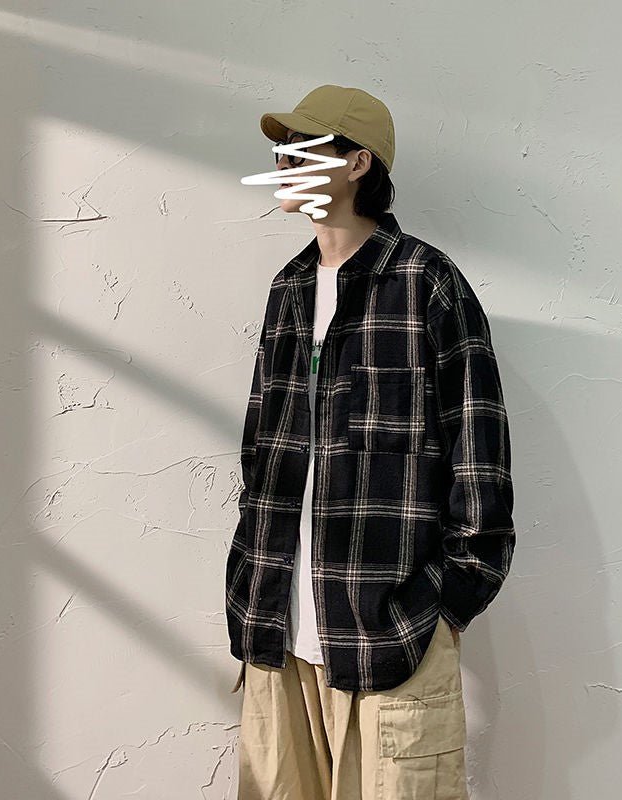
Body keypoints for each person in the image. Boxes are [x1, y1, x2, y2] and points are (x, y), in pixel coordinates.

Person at [226, 84, 515, 800]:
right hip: (277, 635)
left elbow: (480, 460)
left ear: (358, 163)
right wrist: (249, 586)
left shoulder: (427, 284)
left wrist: (445, 605)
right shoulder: (289, 290)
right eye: (281, 150)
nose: (284, 163)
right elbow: (261, 453)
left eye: (304, 149)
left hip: (393, 638)